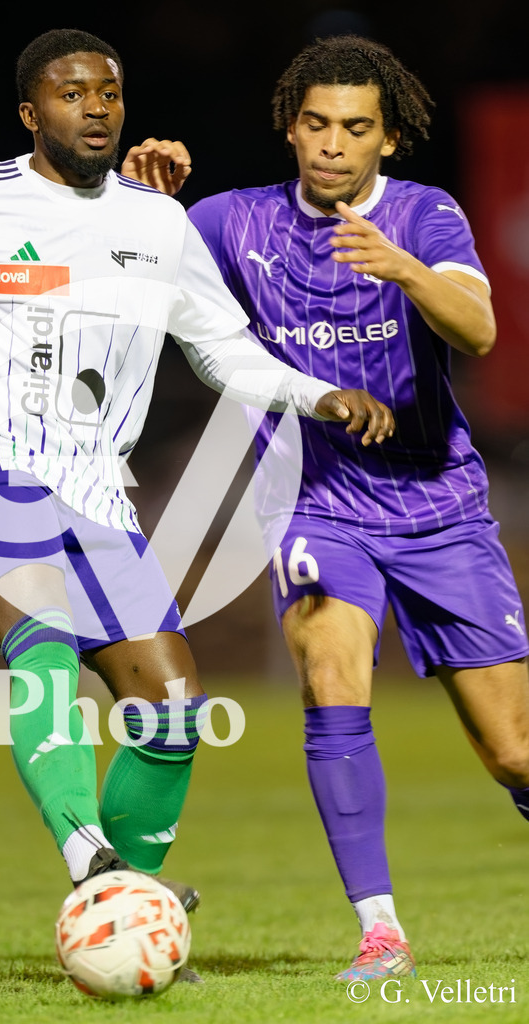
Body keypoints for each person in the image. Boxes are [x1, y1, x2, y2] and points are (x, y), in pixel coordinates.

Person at [0, 28, 393, 923]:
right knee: (42, 635)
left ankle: (122, 912)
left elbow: (223, 353)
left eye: (108, 92)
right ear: (31, 113)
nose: (94, 107)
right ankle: (88, 859)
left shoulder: (154, 221)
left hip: (95, 488)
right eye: (70, 93)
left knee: (172, 706)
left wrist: (319, 395)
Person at [171, 33, 529, 981]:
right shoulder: (231, 223)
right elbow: (133, 259)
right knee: (331, 676)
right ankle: (380, 931)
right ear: (291, 128)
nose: (333, 144)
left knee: (511, 753)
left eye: (355, 129)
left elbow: (481, 330)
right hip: (313, 502)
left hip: (439, 507)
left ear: (389, 140)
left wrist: (401, 270)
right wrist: (138, 190)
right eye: (317, 124)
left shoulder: (424, 214)